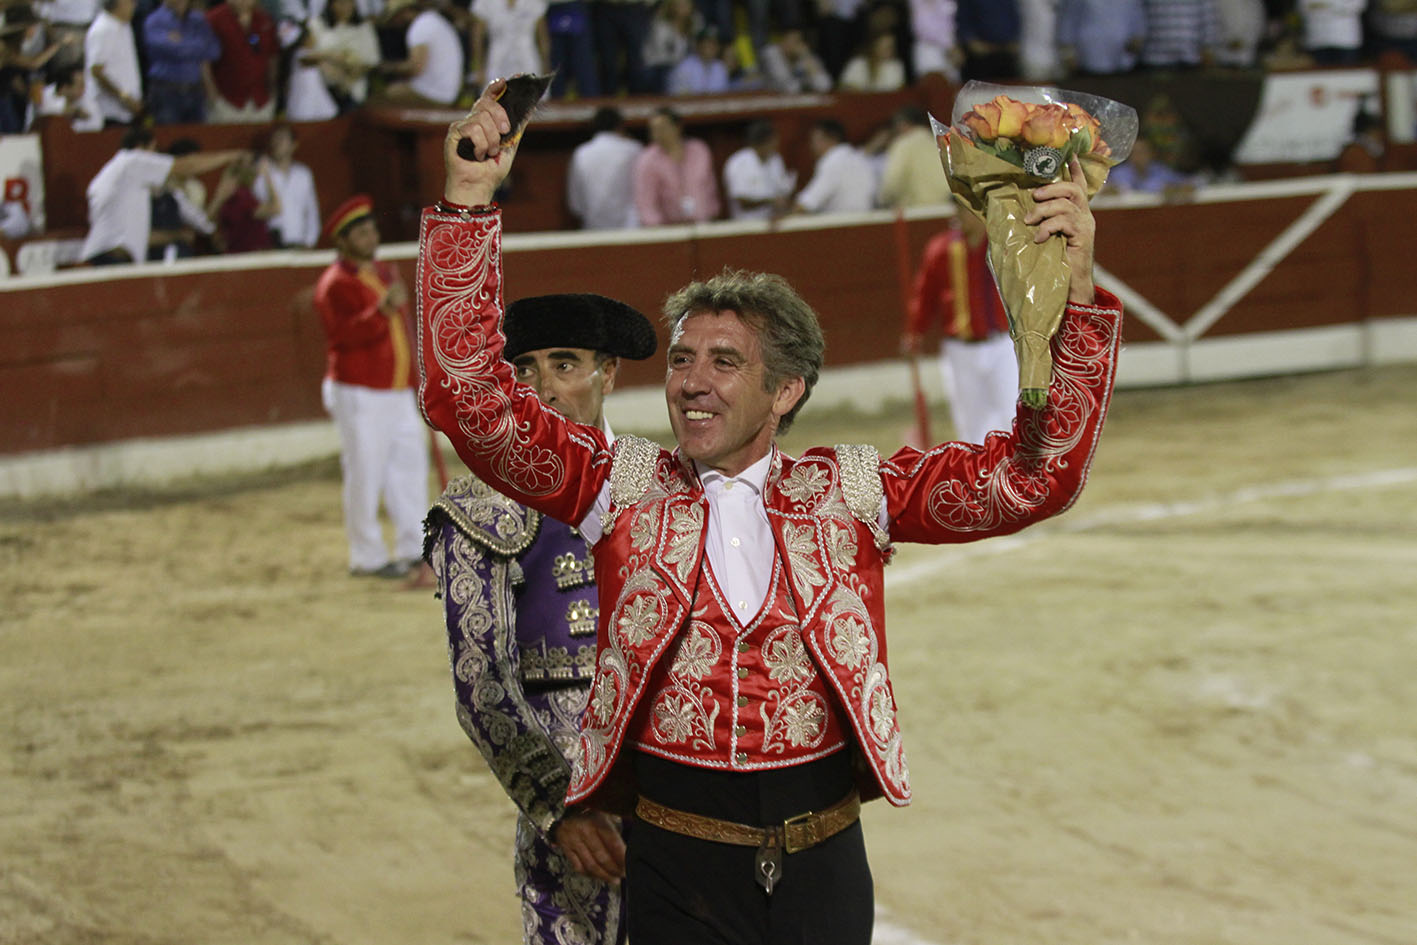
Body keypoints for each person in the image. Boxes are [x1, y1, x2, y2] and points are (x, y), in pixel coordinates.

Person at [417, 78, 1123, 944]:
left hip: (822, 866)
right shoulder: (616, 486)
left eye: (723, 362)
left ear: (785, 390)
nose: (690, 382)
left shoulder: (852, 491)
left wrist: (1074, 295)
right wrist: (467, 202)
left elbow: (1033, 478)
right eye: (681, 359)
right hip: (675, 868)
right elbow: (469, 402)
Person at [424, 291, 659, 945]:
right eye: (523, 369)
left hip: (686, 804)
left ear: (608, 372)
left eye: (565, 364)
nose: (544, 389)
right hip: (575, 821)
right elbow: (481, 684)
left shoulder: (664, 484)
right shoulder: (483, 506)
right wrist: (560, 808)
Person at [314, 194, 429, 580]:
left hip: (396, 389)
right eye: (361, 233)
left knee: (409, 467)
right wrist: (382, 310)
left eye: (371, 230)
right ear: (343, 240)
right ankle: (366, 555)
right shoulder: (335, 284)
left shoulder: (381, 272)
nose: (370, 237)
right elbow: (342, 337)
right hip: (359, 391)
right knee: (366, 471)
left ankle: (414, 546)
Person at [902, 209, 1019, 445]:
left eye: (967, 211)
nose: (961, 216)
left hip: (1003, 344)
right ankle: (980, 467)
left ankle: (1016, 465)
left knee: (1014, 412)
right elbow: (925, 296)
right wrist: (915, 332)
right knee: (970, 422)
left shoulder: (1004, 244)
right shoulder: (941, 249)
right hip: (960, 350)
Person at [80, 125, 244, 265]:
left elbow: (200, 220)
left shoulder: (112, 176)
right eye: (153, 151)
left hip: (103, 254)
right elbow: (186, 165)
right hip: (113, 257)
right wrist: (229, 157)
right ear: (141, 148)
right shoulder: (132, 161)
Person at [632, 106, 720, 226]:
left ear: (678, 127)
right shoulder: (647, 159)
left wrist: (711, 217)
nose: (657, 134)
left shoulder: (699, 150)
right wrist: (658, 229)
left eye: (662, 128)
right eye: (653, 129)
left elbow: (710, 187)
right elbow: (645, 202)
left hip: (704, 224)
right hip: (668, 229)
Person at [566, 105, 643, 230]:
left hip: (593, 229)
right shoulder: (633, 149)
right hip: (630, 229)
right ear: (620, 126)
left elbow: (575, 204)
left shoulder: (581, 153)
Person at [142, 0, 220, 124]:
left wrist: (181, 41)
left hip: (196, 91)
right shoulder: (154, 21)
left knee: (198, 134)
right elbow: (173, 50)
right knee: (169, 134)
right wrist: (197, 45)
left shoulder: (198, 20)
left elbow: (214, 50)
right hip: (166, 91)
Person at [377, 0, 463, 106]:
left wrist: (389, 68)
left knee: (383, 96)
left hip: (436, 93)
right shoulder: (431, 20)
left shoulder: (420, 27)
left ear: (403, 12)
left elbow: (415, 68)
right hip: (447, 92)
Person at [206, 0, 279, 122]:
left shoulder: (264, 20)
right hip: (228, 101)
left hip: (261, 101)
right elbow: (204, 62)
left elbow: (273, 56)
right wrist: (214, 98)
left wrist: (273, 92)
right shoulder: (213, 20)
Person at [303, 0, 380, 113]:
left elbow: (371, 62)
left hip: (352, 86)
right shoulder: (316, 25)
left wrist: (347, 74)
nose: (346, 7)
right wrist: (331, 57)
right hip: (321, 86)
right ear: (331, 5)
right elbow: (306, 56)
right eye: (341, 3)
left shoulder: (364, 28)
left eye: (350, 3)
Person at [253, 123, 321, 248]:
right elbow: (256, 208)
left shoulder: (303, 174)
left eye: (282, 138)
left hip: (299, 242)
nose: (277, 142)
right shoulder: (261, 173)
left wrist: (310, 242)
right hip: (270, 244)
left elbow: (311, 211)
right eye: (274, 138)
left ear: (294, 145)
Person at [792, 118, 875, 215]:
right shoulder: (859, 158)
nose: (811, 146)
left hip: (841, 222)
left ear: (831, 138)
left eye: (814, 140)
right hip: (865, 220)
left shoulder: (832, 161)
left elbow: (805, 204)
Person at [876, 104, 952, 210]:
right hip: (947, 208)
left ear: (902, 124)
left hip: (917, 211)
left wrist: (882, 201)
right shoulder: (941, 142)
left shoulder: (903, 144)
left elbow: (892, 181)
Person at [721, 118, 795, 221]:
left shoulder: (775, 159)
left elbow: (783, 190)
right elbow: (742, 202)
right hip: (746, 224)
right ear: (764, 142)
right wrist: (770, 201)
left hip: (774, 220)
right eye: (773, 141)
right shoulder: (738, 163)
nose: (776, 144)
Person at [85, 0, 144, 126]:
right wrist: (123, 96)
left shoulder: (124, 26)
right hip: (110, 112)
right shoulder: (103, 29)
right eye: (131, 2)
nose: (135, 5)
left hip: (128, 111)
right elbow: (96, 71)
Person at [468, 0, 549, 92]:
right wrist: (478, 68)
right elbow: (477, 36)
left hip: (528, 58)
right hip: (496, 60)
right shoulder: (485, 2)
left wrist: (545, 64)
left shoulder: (535, 2)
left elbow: (542, 37)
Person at [756, 25, 830, 92]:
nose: (791, 45)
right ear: (782, 40)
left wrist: (806, 57)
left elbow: (824, 86)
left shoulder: (805, 56)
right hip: (765, 97)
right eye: (789, 40)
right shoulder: (770, 53)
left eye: (797, 41)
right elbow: (789, 88)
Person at [664, 25, 727, 93]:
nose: (711, 47)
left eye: (714, 43)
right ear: (698, 45)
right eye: (707, 43)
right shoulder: (684, 67)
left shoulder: (720, 67)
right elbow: (677, 95)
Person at [837, 29, 905, 91]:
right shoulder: (858, 63)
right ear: (874, 46)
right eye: (884, 46)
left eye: (891, 47)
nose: (888, 51)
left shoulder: (896, 65)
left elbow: (898, 91)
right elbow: (845, 88)